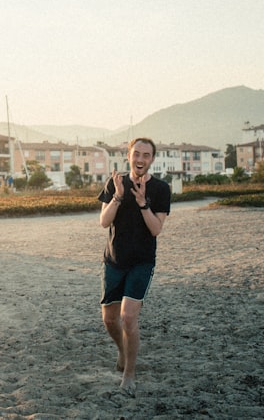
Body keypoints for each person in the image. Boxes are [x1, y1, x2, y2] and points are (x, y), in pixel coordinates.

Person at [98, 137, 171, 395]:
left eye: (146, 155)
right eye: (136, 154)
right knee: (109, 319)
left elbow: (155, 229)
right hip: (114, 260)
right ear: (128, 155)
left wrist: (142, 203)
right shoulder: (114, 183)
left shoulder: (161, 189)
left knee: (128, 317)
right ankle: (122, 350)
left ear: (152, 159)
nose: (140, 159)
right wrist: (118, 197)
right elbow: (104, 222)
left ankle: (129, 373)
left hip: (142, 262)